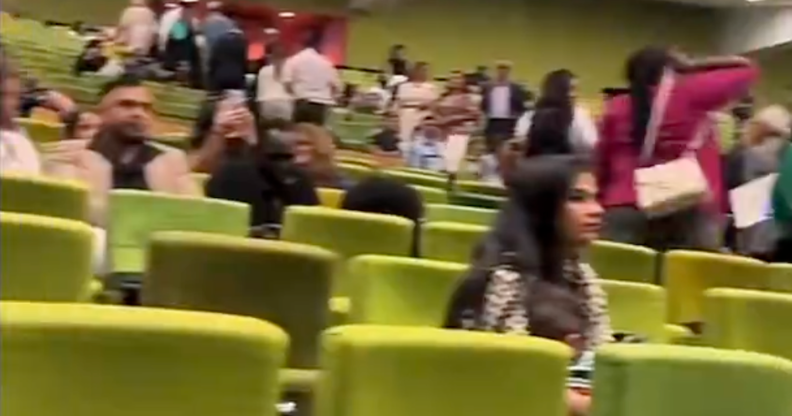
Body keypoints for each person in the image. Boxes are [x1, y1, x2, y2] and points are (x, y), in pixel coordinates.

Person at [597, 47, 758, 252]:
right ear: (672, 69)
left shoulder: (616, 107)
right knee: (687, 279)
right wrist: (694, 64)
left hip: (623, 204)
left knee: (618, 279)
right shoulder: (690, 94)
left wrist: (603, 199)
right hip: (688, 203)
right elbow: (747, 69)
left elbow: (601, 162)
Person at [445, 155, 612, 351]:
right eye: (577, 198)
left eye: (595, 198)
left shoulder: (580, 274)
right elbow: (514, 364)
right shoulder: (503, 278)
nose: (597, 210)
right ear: (541, 206)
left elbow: (601, 351)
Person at [49, 74, 198, 224]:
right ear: (101, 113)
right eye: (127, 105)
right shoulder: (70, 156)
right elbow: (65, 219)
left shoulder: (172, 161)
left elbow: (192, 220)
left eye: (146, 108)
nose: (139, 113)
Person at [731, 105, 791, 259]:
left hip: (761, 242)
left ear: (763, 128)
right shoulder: (786, 153)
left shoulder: (753, 155)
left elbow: (749, 209)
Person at [519, 69, 598, 157]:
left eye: (576, 90)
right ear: (557, 90)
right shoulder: (578, 115)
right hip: (569, 167)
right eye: (571, 89)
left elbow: (521, 143)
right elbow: (590, 145)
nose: (575, 94)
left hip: (533, 166)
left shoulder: (529, 115)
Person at [282, 31, 341, 126]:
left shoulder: (293, 60)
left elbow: (287, 84)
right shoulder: (326, 62)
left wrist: (295, 95)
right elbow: (336, 86)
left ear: (300, 45)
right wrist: (335, 98)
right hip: (321, 104)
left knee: (300, 132)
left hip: (302, 100)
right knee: (316, 134)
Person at [481, 61, 528, 153]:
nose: (502, 72)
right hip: (492, 121)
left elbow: (521, 105)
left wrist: (517, 117)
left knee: (507, 146)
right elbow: (483, 104)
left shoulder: (516, 88)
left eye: (505, 70)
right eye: (500, 69)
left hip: (509, 121)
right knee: (491, 145)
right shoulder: (488, 86)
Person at [289, 123, 349, 189]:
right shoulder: (278, 184)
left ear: (320, 147)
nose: (295, 148)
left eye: (303, 144)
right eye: (289, 143)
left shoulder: (345, 188)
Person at [392, 62, 438, 145]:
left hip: (423, 115)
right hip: (405, 114)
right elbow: (398, 101)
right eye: (420, 70)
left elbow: (435, 103)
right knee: (405, 136)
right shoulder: (403, 86)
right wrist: (395, 114)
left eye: (425, 70)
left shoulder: (431, 87)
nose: (422, 72)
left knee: (419, 137)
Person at [256, 46, 293, 122]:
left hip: (266, 102)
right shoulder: (287, 69)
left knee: (268, 128)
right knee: (285, 128)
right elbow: (288, 87)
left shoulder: (263, 70)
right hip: (283, 101)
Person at [206, 27, 248, 92]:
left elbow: (213, 60)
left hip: (220, 76)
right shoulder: (242, 42)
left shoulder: (219, 41)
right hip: (236, 77)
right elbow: (243, 62)